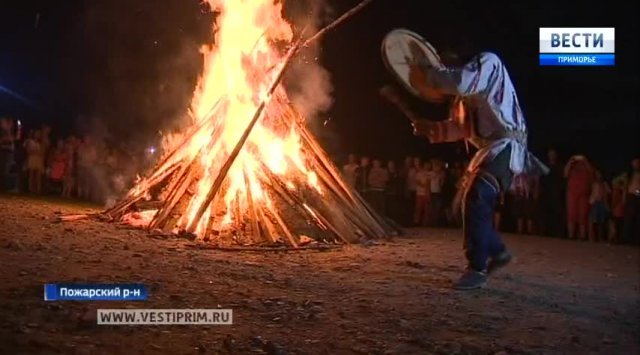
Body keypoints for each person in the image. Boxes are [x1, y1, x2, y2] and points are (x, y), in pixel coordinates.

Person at [382, 47, 547, 289]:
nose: (442, 72)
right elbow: (458, 129)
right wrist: (431, 128)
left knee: (477, 196)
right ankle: (497, 251)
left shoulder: (489, 63)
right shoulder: (463, 101)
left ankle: (477, 268)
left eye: (442, 67)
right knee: (470, 204)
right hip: (491, 151)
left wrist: (426, 73)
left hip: (507, 146)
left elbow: (460, 82)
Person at [564, 155, 593, 240]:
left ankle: (583, 237)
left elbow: (591, 173)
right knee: (571, 215)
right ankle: (571, 236)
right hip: (572, 193)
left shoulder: (586, 167)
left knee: (582, 216)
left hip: (583, 194)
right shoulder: (572, 166)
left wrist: (585, 160)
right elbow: (565, 174)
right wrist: (570, 160)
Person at [539, 149, 565, 237]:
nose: (552, 156)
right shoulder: (544, 166)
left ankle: (558, 233)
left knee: (557, 213)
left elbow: (562, 179)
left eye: (553, 154)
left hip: (556, 192)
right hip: (546, 191)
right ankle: (544, 232)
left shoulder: (559, 167)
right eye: (550, 154)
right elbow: (540, 179)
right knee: (544, 212)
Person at [620, 158, 640, 244]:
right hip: (630, 196)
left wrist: (637, 193)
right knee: (628, 218)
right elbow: (625, 186)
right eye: (634, 163)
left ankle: (636, 239)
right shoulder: (629, 174)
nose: (636, 165)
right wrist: (624, 198)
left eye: (637, 163)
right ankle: (626, 238)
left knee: (637, 218)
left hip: (637, 196)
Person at [588, 169, 610, 242]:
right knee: (594, 220)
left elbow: (608, 192)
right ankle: (593, 237)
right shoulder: (593, 183)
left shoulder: (604, 184)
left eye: (599, 174)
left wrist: (606, 203)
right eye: (597, 174)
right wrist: (591, 202)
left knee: (602, 221)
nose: (598, 175)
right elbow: (591, 192)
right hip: (594, 203)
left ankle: (600, 238)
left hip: (602, 203)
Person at [0, 118, 15, 191]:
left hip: (8, 151)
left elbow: (12, 143)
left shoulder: (12, 131)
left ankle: (3, 186)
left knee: (5, 170)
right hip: (2, 151)